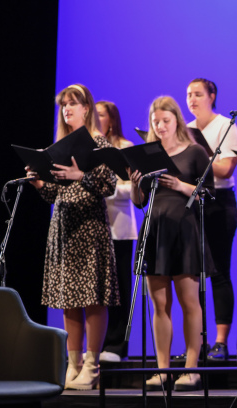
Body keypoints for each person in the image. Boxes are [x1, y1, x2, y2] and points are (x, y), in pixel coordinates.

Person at [27, 84, 119, 390]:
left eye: (73, 103)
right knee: (69, 299)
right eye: (63, 104)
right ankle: (73, 364)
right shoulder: (59, 146)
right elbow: (55, 192)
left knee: (92, 298)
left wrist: (81, 176)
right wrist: (40, 184)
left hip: (89, 228)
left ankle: (92, 366)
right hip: (64, 228)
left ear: (86, 108)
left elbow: (109, 186)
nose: (67, 109)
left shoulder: (98, 142)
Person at [130, 96, 213, 391]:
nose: (161, 126)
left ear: (177, 120)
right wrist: (134, 183)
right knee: (159, 304)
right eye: (156, 122)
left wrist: (179, 185)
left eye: (166, 121)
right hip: (154, 230)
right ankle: (162, 368)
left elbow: (208, 195)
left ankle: (192, 369)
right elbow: (139, 202)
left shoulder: (194, 152)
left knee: (189, 302)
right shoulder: (148, 154)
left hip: (184, 231)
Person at [186, 78, 237, 361]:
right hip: (193, 203)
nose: (192, 100)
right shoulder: (186, 129)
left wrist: (199, 150)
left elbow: (223, 169)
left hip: (219, 203)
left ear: (212, 96)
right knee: (192, 275)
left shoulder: (225, 126)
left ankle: (220, 342)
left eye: (198, 94)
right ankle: (195, 342)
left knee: (219, 271)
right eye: (188, 95)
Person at [96, 100, 136, 362]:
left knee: (120, 286)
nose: (97, 119)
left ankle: (117, 345)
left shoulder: (125, 147)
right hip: (95, 227)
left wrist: (106, 189)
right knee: (98, 289)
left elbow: (131, 190)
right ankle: (97, 345)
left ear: (112, 119)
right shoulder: (90, 148)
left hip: (120, 227)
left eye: (101, 115)